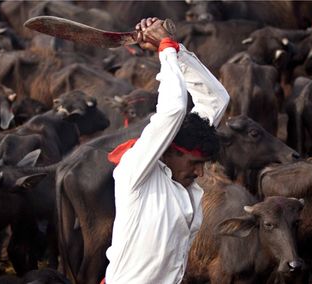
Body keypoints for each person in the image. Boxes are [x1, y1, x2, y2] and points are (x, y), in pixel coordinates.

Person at [104, 17, 230, 283]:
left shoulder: (184, 186)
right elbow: (172, 110)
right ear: (168, 150)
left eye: (203, 163)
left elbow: (217, 99)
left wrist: (175, 50)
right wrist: (165, 48)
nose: (200, 172)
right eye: (194, 162)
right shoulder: (137, 173)